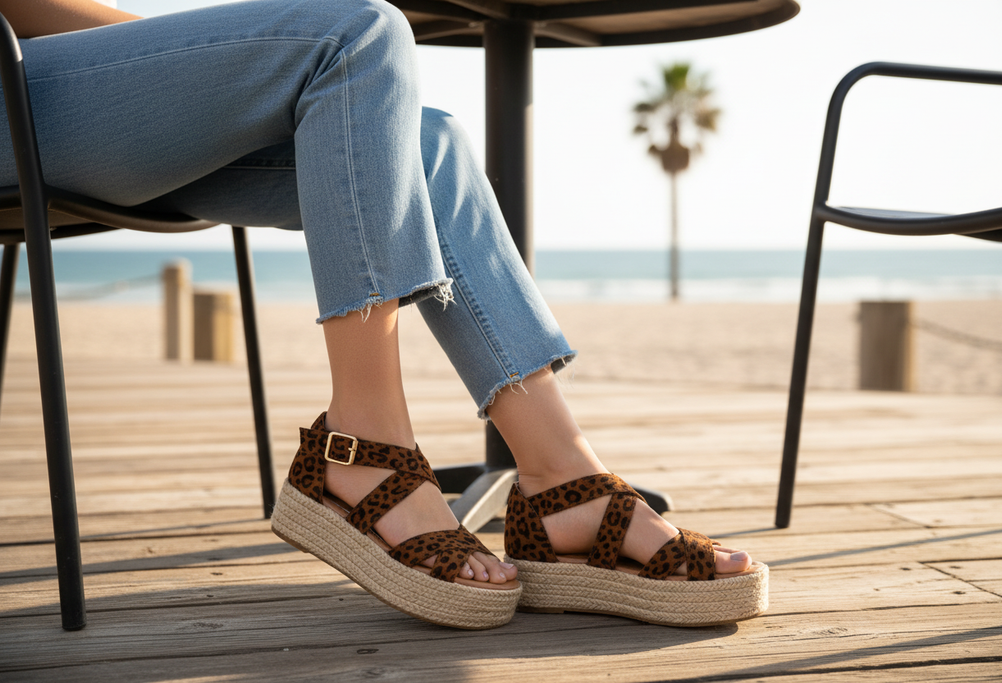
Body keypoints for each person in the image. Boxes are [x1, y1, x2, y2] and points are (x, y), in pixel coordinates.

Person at [0, 0, 765, 629]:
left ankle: (562, 479)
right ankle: (362, 441)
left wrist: (190, 59)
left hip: (51, 88)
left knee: (426, 143)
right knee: (359, 35)